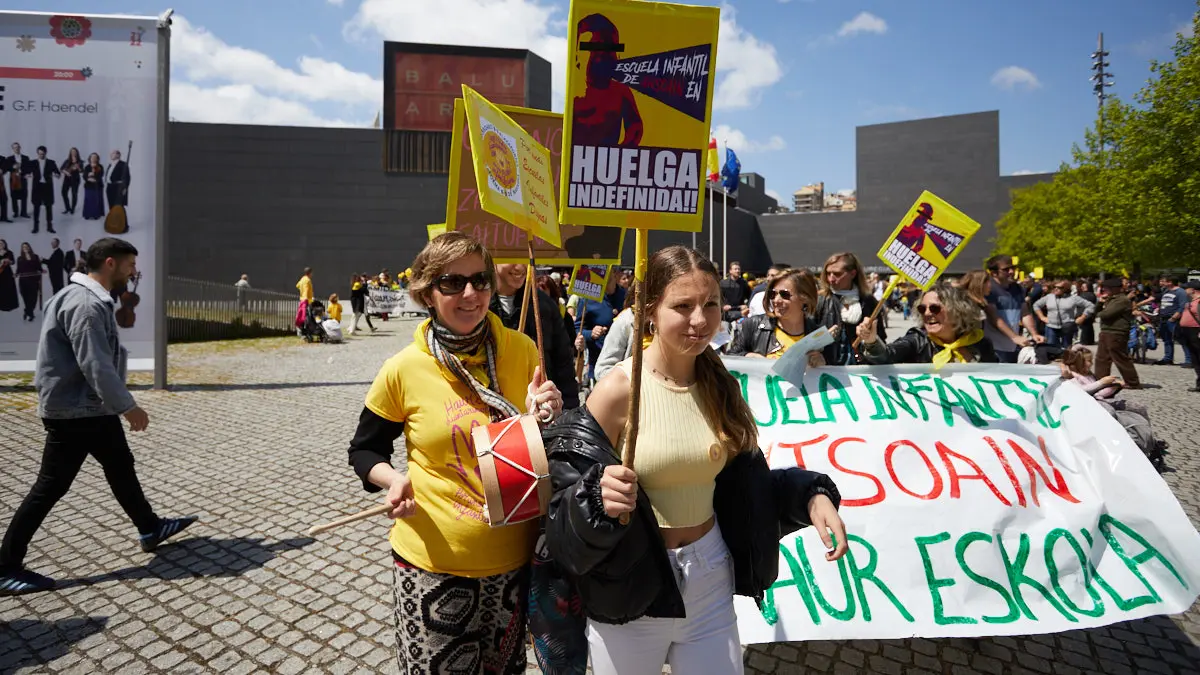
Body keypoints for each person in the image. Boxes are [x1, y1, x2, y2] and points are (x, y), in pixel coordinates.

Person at [543, 245, 846, 675]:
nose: (700, 320)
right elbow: (563, 504)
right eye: (682, 306)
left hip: (710, 577)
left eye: (711, 304)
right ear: (649, 311)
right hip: (631, 586)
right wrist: (595, 497)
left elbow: (746, 485)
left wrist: (811, 494)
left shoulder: (721, 383)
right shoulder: (617, 389)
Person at [345, 231, 562, 673]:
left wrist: (548, 415)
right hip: (431, 564)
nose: (470, 294)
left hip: (513, 564)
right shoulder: (403, 368)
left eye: (480, 280)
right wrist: (392, 480)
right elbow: (364, 451)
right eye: (452, 283)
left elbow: (547, 448)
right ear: (427, 292)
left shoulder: (521, 350)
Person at [0, 238, 197, 596]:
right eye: (130, 265)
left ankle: (150, 527)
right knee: (50, 487)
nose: (133, 272)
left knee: (121, 464)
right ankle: (5, 567)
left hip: (90, 408)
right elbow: (95, 364)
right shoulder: (86, 306)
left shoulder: (77, 297)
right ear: (110, 263)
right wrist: (128, 406)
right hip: (76, 411)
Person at [490, 263, 581, 410]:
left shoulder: (545, 305)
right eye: (512, 257)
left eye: (523, 257)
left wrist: (568, 415)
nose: (520, 266)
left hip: (541, 412)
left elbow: (563, 365)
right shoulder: (477, 305)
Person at [857, 282, 998, 365]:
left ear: (957, 310)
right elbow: (886, 355)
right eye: (922, 308)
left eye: (935, 308)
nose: (927, 313)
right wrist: (871, 341)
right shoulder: (918, 341)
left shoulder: (981, 343)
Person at [728, 268, 823, 366]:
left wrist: (822, 364)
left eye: (784, 294)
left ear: (805, 298)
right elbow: (730, 358)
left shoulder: (817, 335)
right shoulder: (752, 325)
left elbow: (834, 371)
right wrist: (748, 356)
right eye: (773, 294)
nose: (776, 300)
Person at [814, 252, 882, 365]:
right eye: (828, 273)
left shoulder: (868, 301)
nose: (831, 279)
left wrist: (870, 339)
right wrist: (821, 339)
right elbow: (806, 336)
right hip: (828, 369)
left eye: (837, 274)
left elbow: (881, 341)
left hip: (861, 370)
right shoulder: (819, 300)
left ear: (853, 273)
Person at [982, 255, 1041, 362]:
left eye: (1013, 268)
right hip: (994, 346)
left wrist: (1034, 333)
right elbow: (994, 318)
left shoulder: (1017, 288)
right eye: (1006, 269)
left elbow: (1025, 313)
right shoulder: (989, 288)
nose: (1011, 271)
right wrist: (1015, 337)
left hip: (1013, 345)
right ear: (993, 273)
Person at [1094, 278, 1141, 389]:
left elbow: (1106, 314)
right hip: (1107, 331)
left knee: (1120, 358)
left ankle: (1132, 382)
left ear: (1115, 289)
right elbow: (1097, 313)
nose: (1104, 289)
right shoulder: (1111, 299)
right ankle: (1101, 380)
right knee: (1102, 358)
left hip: (1117, 332)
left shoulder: (1122, 300)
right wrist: (1100, 303)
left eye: (1106, 288)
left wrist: (1101, 310)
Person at [1033, 281, 1094, 348]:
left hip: (1067, 327)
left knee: (1066, 349)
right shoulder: (1049, 297)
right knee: (1051, 348)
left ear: (1066, 289)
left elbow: (1090, 306)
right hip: (1051, 326)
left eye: (1059, 287)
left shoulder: (1073, 298)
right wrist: (1042, 317)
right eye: (1054, 287)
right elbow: (1036, 305)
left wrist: (1082, 317)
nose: (1056, 289)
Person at [1156, 276, 1190, 366]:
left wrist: (1174, 317)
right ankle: (1168, 358)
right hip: (1163, 318)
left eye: (1163, 281)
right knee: (1166, 339)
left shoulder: (1180, 292)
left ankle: (1189, 360)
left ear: (1170, 282)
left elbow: (1183, 305)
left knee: (1181, 339)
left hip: (1173, 319)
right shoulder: (1166, 291)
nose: (1162, 283)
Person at [30, 146, 60, 235]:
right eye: (39, 154)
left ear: (45, 153)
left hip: (47, 187)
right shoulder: (33, 162)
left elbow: (58, 173)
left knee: (49, 207)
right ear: (37, 153)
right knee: (36, 207)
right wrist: (26, 175)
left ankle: (49, 227)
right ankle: (35, 227)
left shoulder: (51, 162)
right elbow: (25, 172)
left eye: (42, 154)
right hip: (37, 187)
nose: (41, 155)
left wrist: (56, 175)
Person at [1177, 281, 1200, 393]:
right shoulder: (1192, 301)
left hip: (1196, 331)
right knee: (1195, 358)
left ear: (1193, 290)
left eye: (1186, 289)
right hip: (1188, 332)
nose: (1185, 291)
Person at [16, 242, 42, 322]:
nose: (25, 248)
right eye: (23, 247)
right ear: (22, 249)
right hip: (23, 281)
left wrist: (42, 270)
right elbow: (18, 269)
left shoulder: (35, 257)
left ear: (29, 247)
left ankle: (27, 311)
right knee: (26, 299)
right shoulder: (19, 258)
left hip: (34, 280)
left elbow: (38, 267)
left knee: (33, 299)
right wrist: (16, 274)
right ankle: (31, 314)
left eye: (26, 246)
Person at [81, 154, 105, 221]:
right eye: (92, 157)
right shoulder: (87, 167)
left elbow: (101, 175)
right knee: (88, 200)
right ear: (90, 158)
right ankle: (87, 215)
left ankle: (96, 215)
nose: (93, 158)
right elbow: (84, 176)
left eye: (95, 157)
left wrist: (94, 174)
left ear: (97, 159)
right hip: (88, 186)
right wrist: (88, 178)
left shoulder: (100, 166)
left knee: (97, 200)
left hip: (98, 186)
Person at [60, 147, 82, 215]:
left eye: (74, 151)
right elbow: (61, 169)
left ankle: (73, 209)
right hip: (67, 179)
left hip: (75, 179)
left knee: (74, 194)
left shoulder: (80, 161)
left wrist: (78, 167)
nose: (73, 152)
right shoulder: (67, 161)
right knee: (63, 193)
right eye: (72, 151)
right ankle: (67, 208)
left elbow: (82, 171)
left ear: (76, 153)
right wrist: (66, 172)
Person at [1077, 280, 1098, 345]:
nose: (1083, 288)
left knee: (1085, 328)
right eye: (1082, 286)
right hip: (1089, 313)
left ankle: (1084, 341)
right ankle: (1090, 340)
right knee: (1089, 327)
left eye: (1084, 286)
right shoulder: (1091, 294)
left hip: (1085, 313)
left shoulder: (1087, 295)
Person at [0, 239, 17, 312]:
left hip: (7, 273)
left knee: (8, 289)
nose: (1, 245)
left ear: (5, 244)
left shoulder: (9, 252)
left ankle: (8, 306)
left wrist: (9, 261)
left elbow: (13, 261)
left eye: (2, 243)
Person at [295, 267, 313, 334]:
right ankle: (305, 330)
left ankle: (302, 329)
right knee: (306, 316)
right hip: (307, 300)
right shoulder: (307, 280)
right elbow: (306, 289)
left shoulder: (302, 279)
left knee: (302, 315)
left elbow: (297, 285)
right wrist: (306, 297)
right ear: (310, 273)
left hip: (302, 299)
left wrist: (301, 291)